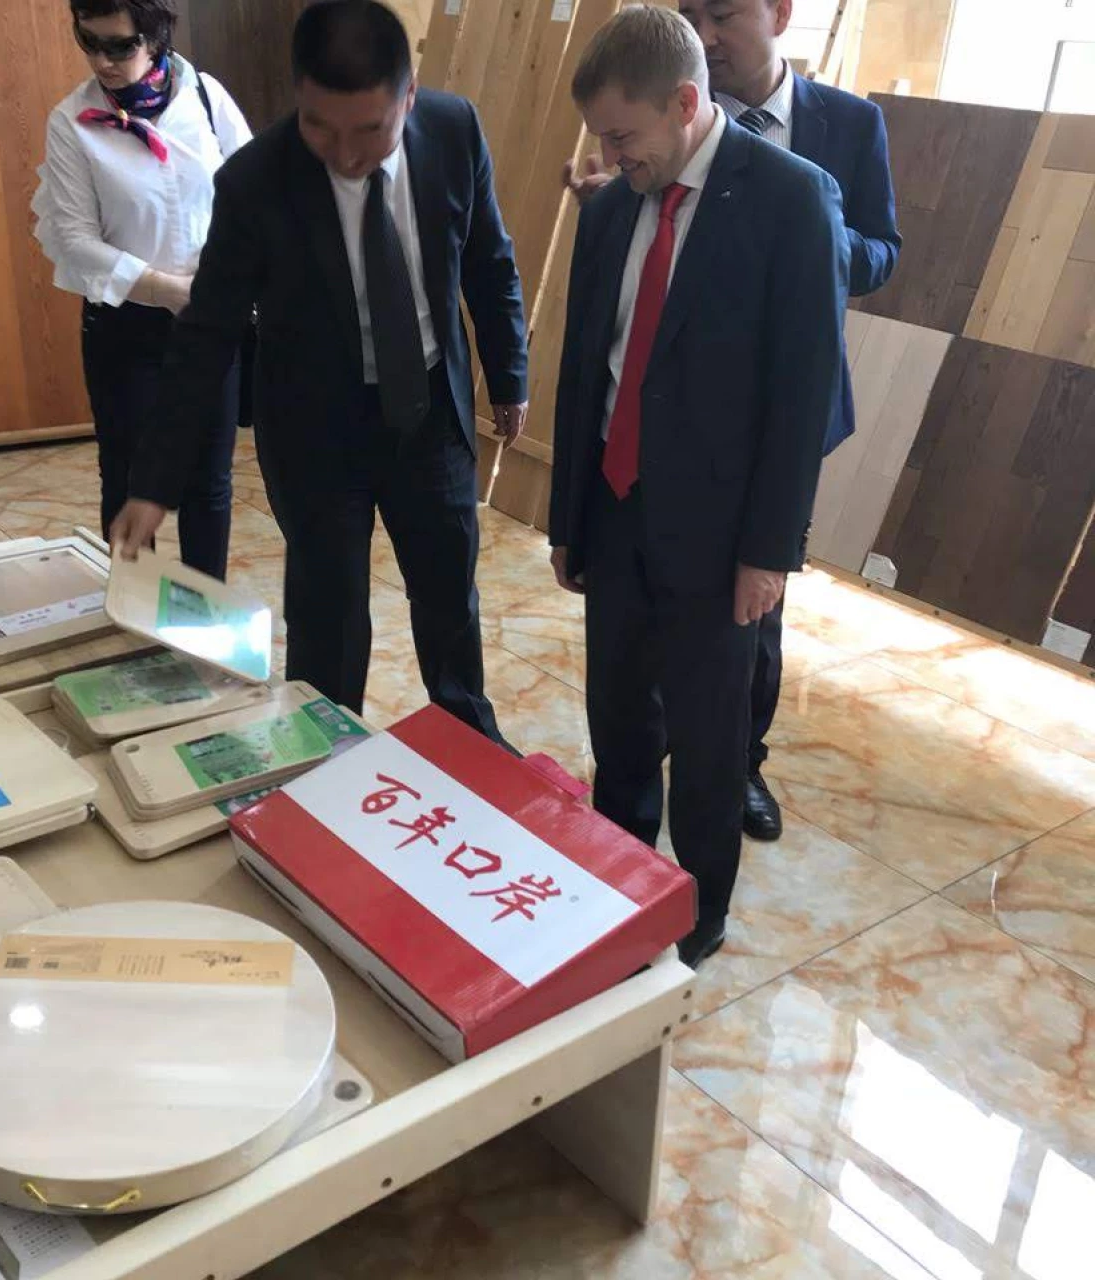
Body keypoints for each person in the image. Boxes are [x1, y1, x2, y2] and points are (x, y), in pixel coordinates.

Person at [111, 0, 529, 742]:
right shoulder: (255, 182)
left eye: (369, 129)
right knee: (328, 617)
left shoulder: (455, 130)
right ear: (298, 95)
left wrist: (509, 375)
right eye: (319, 127)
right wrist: (154, 481)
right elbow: (205, 336)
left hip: (428, 408)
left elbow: (488, 261)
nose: (345, 154)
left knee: (447, 599)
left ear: (408, 95)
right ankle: (323, 755)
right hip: (315, 431)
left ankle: (470, 745)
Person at [549, 5, 848, 967]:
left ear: (685, 104)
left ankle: (698, 907)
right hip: (617, 510)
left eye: (623, 135)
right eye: (601, 137)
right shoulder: (611, 209)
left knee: (711, 740)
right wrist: (568, 519)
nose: (610, 156)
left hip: (721, 538)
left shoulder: (791, 199)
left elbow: (802, 393)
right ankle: (617, 879)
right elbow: (585, 372)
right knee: (617, 718)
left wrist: (770, 553)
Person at [33, 0, 251, 581]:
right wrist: (167, 290)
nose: (102, 61)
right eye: (89, 42)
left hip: (209, 322)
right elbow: (76, 240)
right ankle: (134, 613)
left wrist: (229, 281)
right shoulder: (71, 122)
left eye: (119, 46)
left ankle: (205, 615)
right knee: (129, 478)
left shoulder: (206, 98)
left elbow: (252, 194)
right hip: (126, 327)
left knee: (209, 482)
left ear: (155, 38)